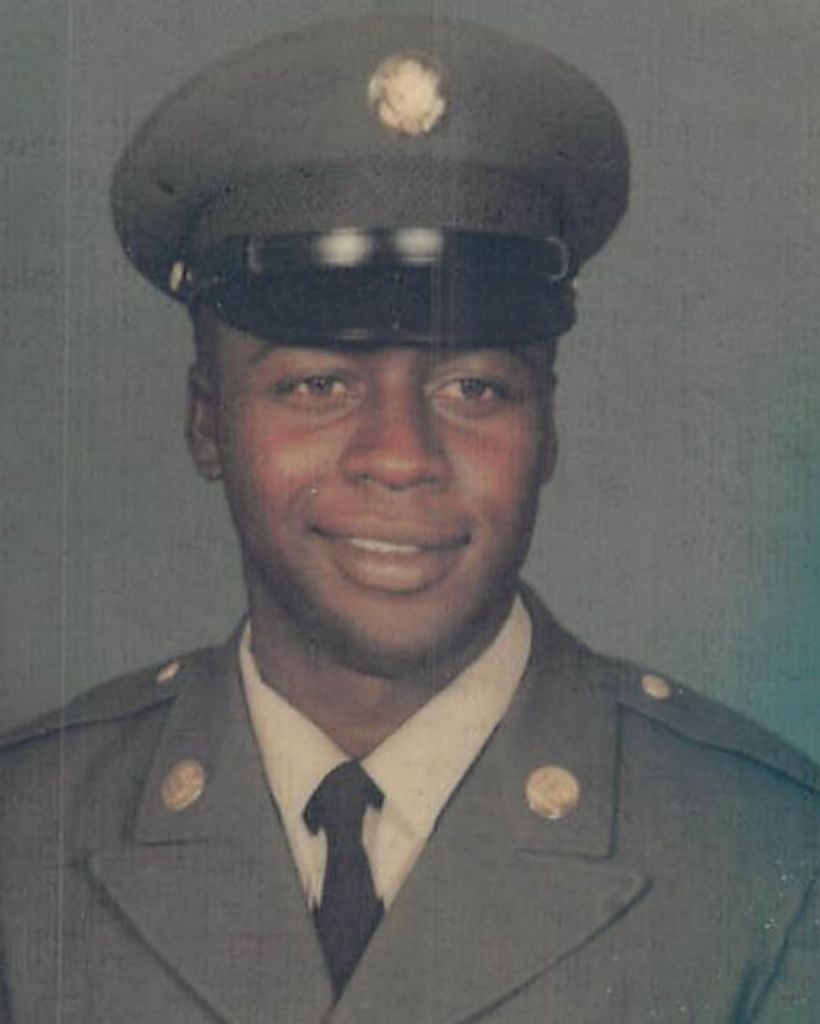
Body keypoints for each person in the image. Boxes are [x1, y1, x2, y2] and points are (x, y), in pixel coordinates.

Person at [1, 13, 818, 1023]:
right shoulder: (24, 840)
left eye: (473, 389)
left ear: (547, 427)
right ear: (208, 423)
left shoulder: (768, 860)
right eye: (318, 386)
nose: (400, 456)